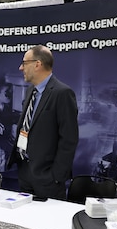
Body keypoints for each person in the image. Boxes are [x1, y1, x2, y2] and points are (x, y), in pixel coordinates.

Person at [7, 45, 79, 200]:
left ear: (37, 64)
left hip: (47, 179)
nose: (21, 68)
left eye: (24, 63)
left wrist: (55, 176)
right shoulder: (30, 91)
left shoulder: (62, 93)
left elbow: (69, 139)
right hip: (24, 172)